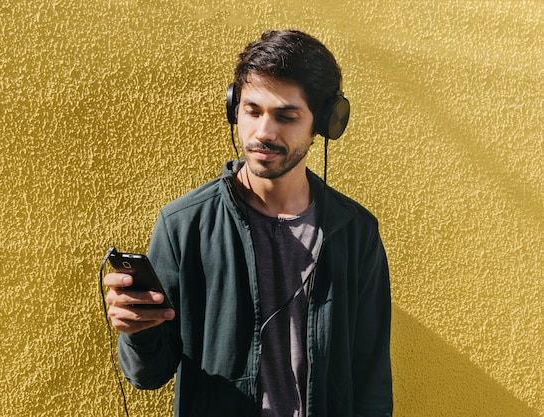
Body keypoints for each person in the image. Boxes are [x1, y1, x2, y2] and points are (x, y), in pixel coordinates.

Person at [104, 29, 393, 417]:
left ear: (323, 124)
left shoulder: (355, 232)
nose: (263, 133)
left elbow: (371, 377)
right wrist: (137, 332)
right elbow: (148, 375)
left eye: (286, 117)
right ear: (233, 109)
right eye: (252, 111)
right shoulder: (184, 225)